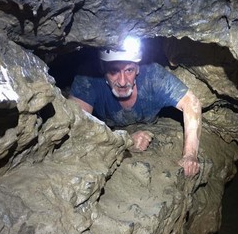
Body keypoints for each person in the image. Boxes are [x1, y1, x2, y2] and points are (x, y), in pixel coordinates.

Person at [69, 40, 201, 176]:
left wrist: (190, 155)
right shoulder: (88, 78)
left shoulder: (153, 75)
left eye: (129, 70)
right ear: (102, 69)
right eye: (114, 71)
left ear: (137, 68)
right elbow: (77, 128)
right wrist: (125, 141)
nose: (122, 81)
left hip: (150, 123)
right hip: (109, 128)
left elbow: (191, 103)